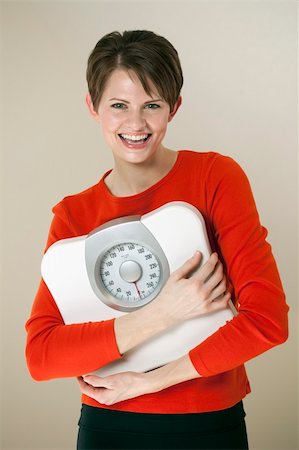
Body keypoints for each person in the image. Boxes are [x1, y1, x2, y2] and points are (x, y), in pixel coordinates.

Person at [25, 30, 289, 450]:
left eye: (152, 105)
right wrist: (162, 314)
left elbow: (267, 322)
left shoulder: (215, 178)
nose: (135, 123)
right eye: (118, 106)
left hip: (208, 424)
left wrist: (149, 382)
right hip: (107, 428)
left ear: (174, 108)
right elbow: (41, 356)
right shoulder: (73, 216)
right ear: (92, 107)